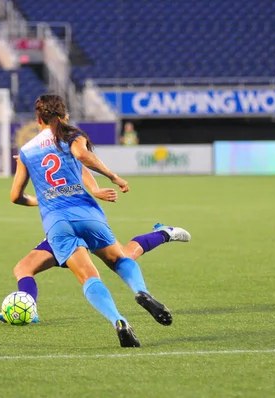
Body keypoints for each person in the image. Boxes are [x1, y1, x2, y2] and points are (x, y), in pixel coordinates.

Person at [10, 94, 170, 347]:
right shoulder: (71, 135)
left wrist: (41, 200)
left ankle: (118, 320)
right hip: (86, 213)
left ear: (38, 118)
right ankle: (142, 292)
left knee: (88, 276)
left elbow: (15, 196)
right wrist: (113, 176)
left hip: (56, 222)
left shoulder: (27, 151)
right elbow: (82, 156)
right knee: (120, 259)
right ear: (64, 115)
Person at [0, 165, 191, 324]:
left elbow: (81, 165)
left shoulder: (53, 147)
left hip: (68, 222)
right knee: (123, 257)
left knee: (112, 263)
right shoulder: (45, 149)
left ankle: (164, 234)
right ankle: (27, 308)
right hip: (71, 223)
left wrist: (96, 188)